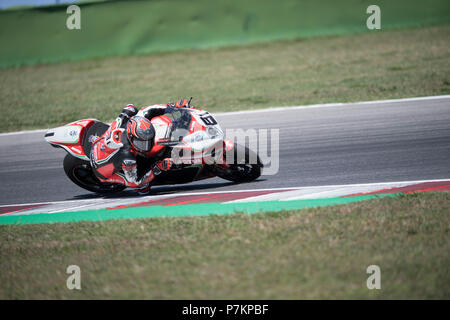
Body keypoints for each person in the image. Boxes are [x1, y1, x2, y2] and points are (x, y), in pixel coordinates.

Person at [90, 98, 192, 194]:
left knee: (131, 109)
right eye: (142, 143)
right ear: (131, 138)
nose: (147, 145)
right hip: (102, 171)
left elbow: (148, 110)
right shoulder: (128, 157)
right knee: (143, 188)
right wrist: (159, 167)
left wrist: (173, 106)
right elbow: (135, 181)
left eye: (149, 140)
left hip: (101, 143)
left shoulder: (129, 122)